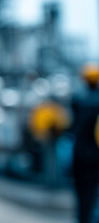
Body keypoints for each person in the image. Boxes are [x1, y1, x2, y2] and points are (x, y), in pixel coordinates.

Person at [71, 63, 99, 223]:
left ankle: (82, 218)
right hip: (95, 153)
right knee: (92, 190)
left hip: (79, 152)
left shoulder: (78, 100)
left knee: (80, 190)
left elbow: (71, 125)